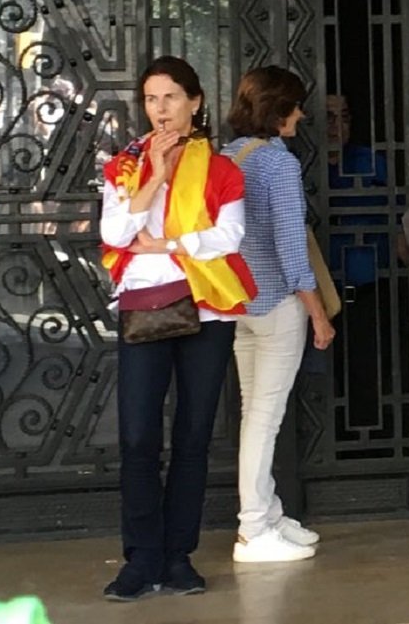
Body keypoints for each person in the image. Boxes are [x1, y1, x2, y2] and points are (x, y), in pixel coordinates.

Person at [99, 55, 256, 599]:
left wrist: (169, 244)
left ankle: (178, 555)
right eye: (150, 99)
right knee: (139, 435)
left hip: (207, 308)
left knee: (193, 435)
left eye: (171, 98)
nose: (160, 110)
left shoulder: (222, 169)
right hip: (145, 306)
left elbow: (228, 236)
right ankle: (141, 558)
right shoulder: (125, 165)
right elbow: (116, 232)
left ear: (195, 102)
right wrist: (157, 176)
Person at [221, 66, 336, 563]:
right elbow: (291, 247)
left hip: (237, 302)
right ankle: (252, 529)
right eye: (295, 105)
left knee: (255, 415)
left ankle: (267, 512)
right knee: (265, 420)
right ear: (277, 109)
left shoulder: (229, 156)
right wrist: (318, 315)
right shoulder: (277, 164)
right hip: (275, 305)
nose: (301, 115)